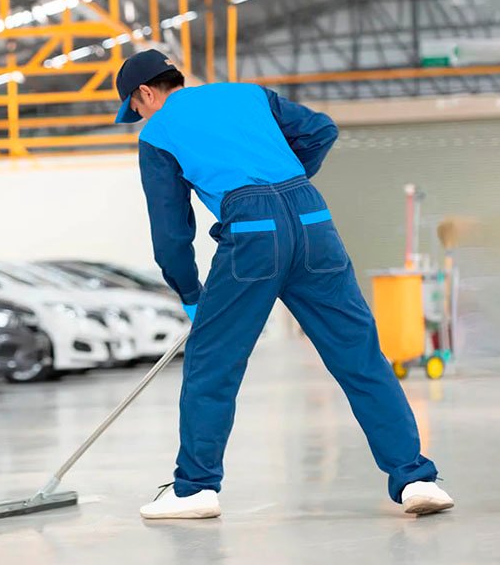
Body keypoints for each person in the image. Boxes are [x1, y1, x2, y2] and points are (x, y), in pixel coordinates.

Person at [115, 49, 453, 519]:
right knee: (359, 355)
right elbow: (321, 129)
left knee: (213, 364)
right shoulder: (247, 95)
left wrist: (191, 294)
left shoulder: (156, 133)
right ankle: (417, 478)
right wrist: (284, 184)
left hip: (253, 234)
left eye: (135, 109)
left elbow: (171, 234)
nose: (138, 118)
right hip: (314, 219)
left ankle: (194, 489)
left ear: (145, 93)